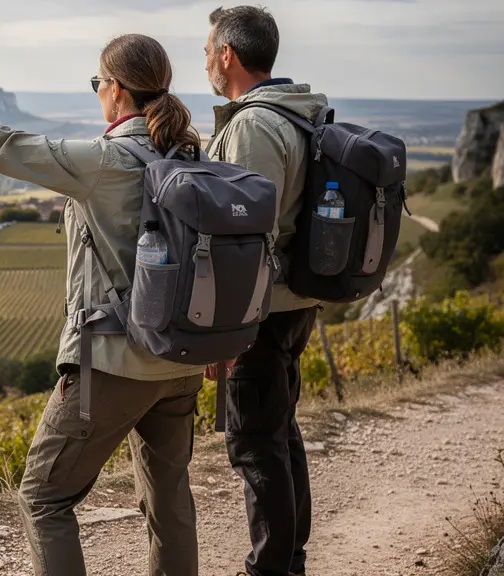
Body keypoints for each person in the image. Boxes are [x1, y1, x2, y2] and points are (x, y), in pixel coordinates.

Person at [0, 33, 205, 576]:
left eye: (97, 83)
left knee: (43, 497)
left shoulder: (107, 161)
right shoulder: (190, 156)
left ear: (116, 89)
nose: (97, 93)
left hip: (115, 361)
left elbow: (6, 146)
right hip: (183, 359)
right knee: (169, 497)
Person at [203, 5, 329, 576]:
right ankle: (289, 556)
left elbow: (246, 234)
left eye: (208, 50)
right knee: (279, 428)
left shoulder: (254, 125)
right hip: (293, 300)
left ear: (227, 54)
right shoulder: (299, 112)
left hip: (263, 306)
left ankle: (272, 566)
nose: (205, 60)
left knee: (254, 440)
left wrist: (225, 331)